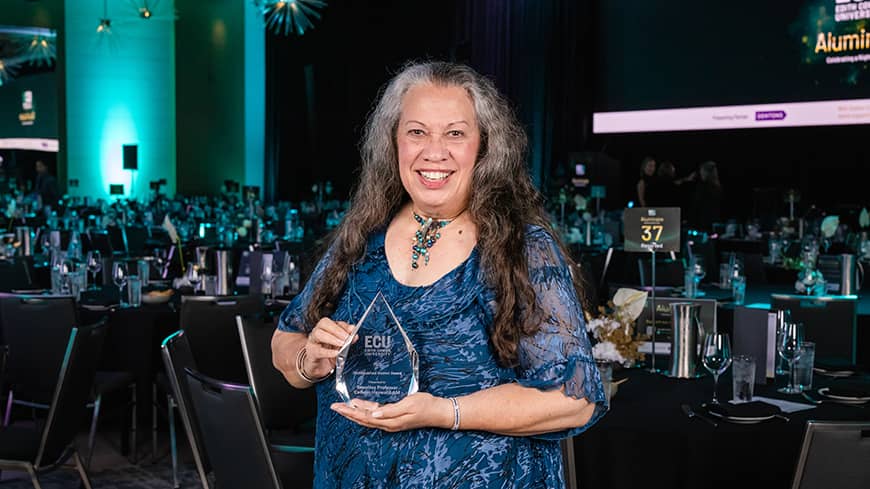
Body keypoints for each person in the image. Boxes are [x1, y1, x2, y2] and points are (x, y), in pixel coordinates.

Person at [271, 61, 606, 488]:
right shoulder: (361, 237)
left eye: (455, 133)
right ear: (393, 142)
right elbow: (285, 340)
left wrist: (444, 411)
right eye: (417, 132)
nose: (434, 151)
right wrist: (309, 360)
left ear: (483, 147)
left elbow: (573, 400)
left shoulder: (522, 248)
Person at [688, 160, 723, 232]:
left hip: (702, 223)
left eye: (702, 171)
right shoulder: (718, 187)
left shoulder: (703, 187)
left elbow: (696, 205)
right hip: (715, 221)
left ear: (705, 172)